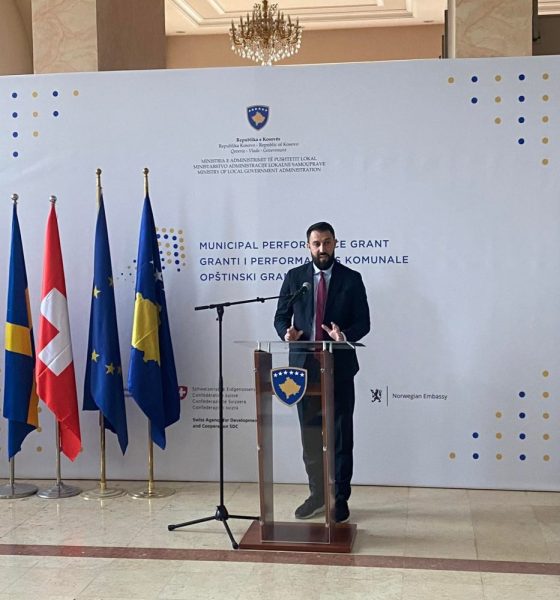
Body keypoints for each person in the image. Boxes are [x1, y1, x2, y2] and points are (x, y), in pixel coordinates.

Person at [274, 221, 371, 523]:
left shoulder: (351, 279)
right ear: (308, 246)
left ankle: (339, 498)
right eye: (316, 243)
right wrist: (286, 334)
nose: (322, 249)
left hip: (338, 366)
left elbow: (364, 322)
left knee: (341, 435)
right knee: (310, 434)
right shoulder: (295, 278)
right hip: (303, 369)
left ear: (335, 243)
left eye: (327, 242)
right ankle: (317, 495)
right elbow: (280, 317)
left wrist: (344, 336)